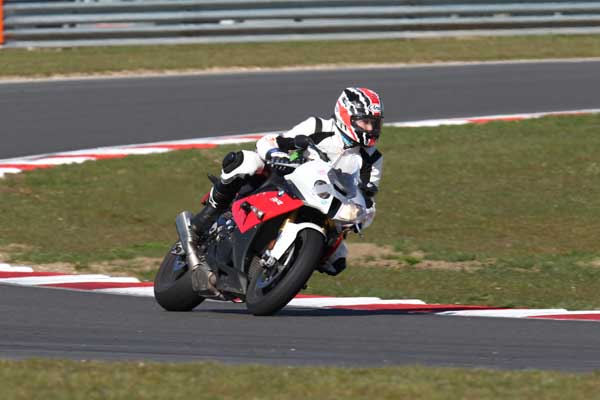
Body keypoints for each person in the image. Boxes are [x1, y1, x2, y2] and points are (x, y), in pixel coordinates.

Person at [190, 87, 384, 276]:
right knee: (246, 162)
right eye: (365, 122)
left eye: (375, 124)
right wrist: (276, 154)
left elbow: (366, 196)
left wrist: (361, 217)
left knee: (336, 261)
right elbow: (274, 141)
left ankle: (284, 271)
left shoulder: (373, 158)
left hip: (326, 203)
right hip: (288, 179)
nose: (371, 129)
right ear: (345, 116)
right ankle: (208, 215)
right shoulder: (318, 126)